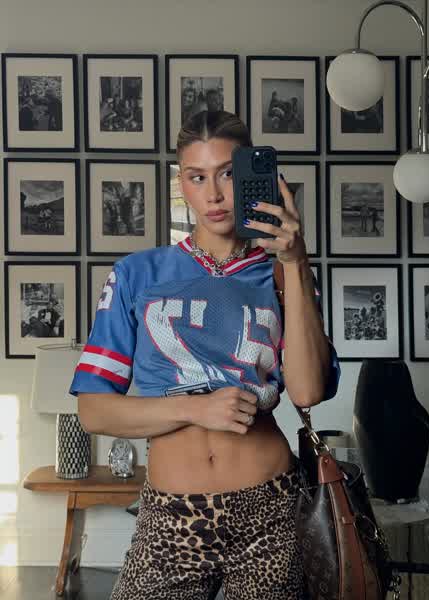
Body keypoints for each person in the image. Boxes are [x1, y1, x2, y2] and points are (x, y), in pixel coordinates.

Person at [69, 110, 341, 600]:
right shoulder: (137, 275)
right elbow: (93, 410)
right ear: (182, 184)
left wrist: (296, 260)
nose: (214, 195)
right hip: (170, 518)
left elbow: (307, 391)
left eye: (229, 174)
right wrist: (196, 408)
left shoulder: (282, 275)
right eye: (197, 177)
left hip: (270, 512)